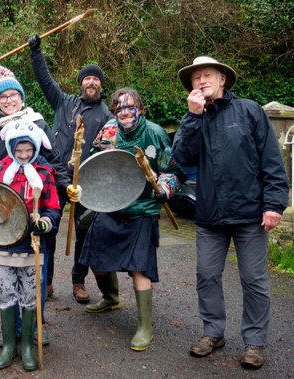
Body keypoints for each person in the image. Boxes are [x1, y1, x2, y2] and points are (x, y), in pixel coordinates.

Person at [173, 56, 289, 369]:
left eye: (207, 75)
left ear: (222, 79)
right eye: (196, 78)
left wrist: (274, 204)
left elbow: (271, 161)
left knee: (253, 280)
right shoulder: (195, 117)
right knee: (207, 275)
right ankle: (213, 332)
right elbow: (181, 158)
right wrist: (192, 117)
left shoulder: (249, 111)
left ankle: (254, 343)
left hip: (250, 213)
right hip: (210, 214)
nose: (201, 81)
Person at [80, 87, 183, 351]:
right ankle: (110, 297)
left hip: (142, 209)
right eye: (119, 108)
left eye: (130, 106)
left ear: (140, 108)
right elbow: (94, 162)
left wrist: (164, 188)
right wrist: (82, 186)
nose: (124, 112)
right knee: (96, 257)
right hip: (111, 206)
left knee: (139, 267)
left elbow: (172, 170)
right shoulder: (109, 131)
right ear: (113, 111)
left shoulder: (155, 133)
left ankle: (145, 327)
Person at [0, 66, 66, 345]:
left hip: (36, 210)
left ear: (21, 97)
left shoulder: (37, 124)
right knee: (6, 278)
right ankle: (10, 332)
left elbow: (56, 162)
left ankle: (33, 329)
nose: (9, 100)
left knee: (34, 278)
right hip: (3, 219)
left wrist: (65, 186)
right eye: (3, 97)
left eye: (14, 95)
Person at [28, 33, 112, 303]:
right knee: (49, 229)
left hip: (87, 182)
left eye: (96, 79)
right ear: (80, 84)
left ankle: (78, 282)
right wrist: (36, 52)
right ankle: (48, 280)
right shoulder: (63, 102)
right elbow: (44, 80)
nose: (92, 82)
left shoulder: (108, 115)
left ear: (100, 86)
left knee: (84, 233)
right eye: (87, 78)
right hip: (56, 176)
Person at [0, 119, 61, 371]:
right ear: (10, 147)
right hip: (3, 244)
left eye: (29, 150)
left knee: (30, 295)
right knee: (6, 294)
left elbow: (53, 207)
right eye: (19, 151)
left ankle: (27, 346)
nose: (24, 155)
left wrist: (46, 222)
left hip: (32, 245)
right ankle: (9, 345)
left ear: (36, 147)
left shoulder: (44, 172)